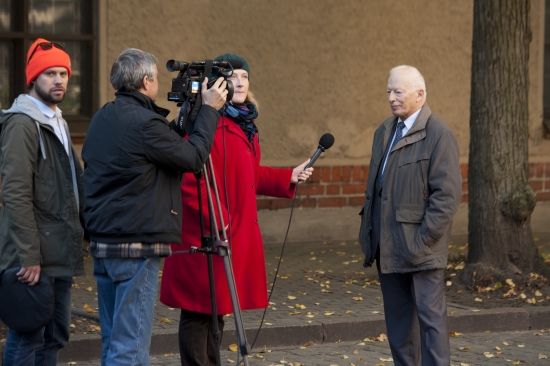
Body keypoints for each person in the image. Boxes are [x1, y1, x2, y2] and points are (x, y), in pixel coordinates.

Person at [160, 53, 313, 365]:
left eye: (245, 76)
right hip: (205, 234)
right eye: (233, 76)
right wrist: (219, 219)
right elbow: (189, 178)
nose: (240, 81)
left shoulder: (244, 123)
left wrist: (288, 176)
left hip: (229, 233)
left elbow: (248, 174)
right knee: (198, 313)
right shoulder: (203, 121)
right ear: (218, 83)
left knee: (216, 314)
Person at [81, 48, 227, 365]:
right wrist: (210, 111)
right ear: (147, 81)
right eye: (157, 78)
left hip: (104, 243)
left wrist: (182, 123)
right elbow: (192, 158)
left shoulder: (103, 117)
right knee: (130, 348)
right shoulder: (146, 124)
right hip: (136, 246)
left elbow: (149, 151)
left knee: (113, 342)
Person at [358, 65, 462, 365]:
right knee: (399, 327)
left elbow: (446, 196)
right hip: (389, 246)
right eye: (389, 91)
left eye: (398, 92)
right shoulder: (384, 131)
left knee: (431, 325)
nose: (391, 98)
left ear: (420, 94)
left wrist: (422, 240)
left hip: (422, 248)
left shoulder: (439, 134)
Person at [0, 38, 85, 365]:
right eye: (50, 73)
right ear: (33, 78)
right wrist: (29, 256)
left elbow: (73, 188)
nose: (59, 80)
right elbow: (16, 194)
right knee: (28, 335)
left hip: (59, 249)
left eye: (64, 73)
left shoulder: (58, 122)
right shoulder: (23, 124)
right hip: (34, 256)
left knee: (55, 335)